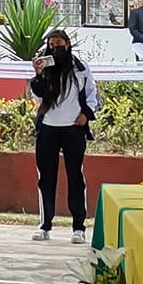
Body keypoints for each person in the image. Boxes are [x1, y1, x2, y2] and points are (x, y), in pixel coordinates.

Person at [30, 29, 99, 244]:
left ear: (68, 44)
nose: (55, 47)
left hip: (73, 129)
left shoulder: (80, 68)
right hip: (48, 128)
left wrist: (85, 115)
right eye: (51, 44)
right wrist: (38, 74)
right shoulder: (45, 67)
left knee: (75, 177)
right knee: (46, 178)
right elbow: (36, 96)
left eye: (59, 43)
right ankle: (45, 225)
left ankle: (79, 227)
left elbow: (91, 94)